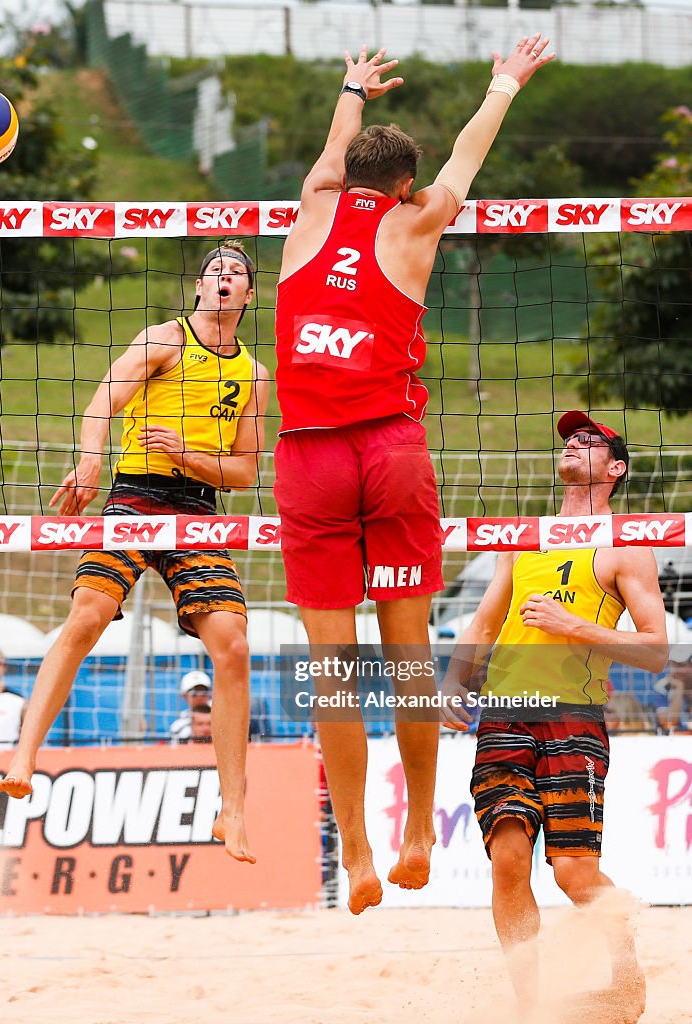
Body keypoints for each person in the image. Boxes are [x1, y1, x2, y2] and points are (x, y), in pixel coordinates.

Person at [273, 37, 554, 914]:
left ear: (343, 174)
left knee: (332, 670)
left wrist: (351, 87)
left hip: (310, 454)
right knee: (406, 663)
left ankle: (353, 851)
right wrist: (504, 80)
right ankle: (418, 834)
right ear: (402, 186)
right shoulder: (416, 219)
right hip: (389, 449)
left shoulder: (309, 213)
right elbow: (469, 149)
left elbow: (330, 156)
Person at [0, 241, 270, 864]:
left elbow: (245, 472)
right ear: (199, 289)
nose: (224, 279)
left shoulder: (253, 375)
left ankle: (232, 808)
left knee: (232, 643)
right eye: (214, 272)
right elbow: (101, 404)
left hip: (198, 507)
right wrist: (91, 458)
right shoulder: (164, 340)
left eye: (236, 274)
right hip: (136, 496)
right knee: (87, 616)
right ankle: (24, 755)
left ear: (249, 296)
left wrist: (185, 453)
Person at [442, 411, 668, 1019]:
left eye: (590, 440)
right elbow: (487, 620)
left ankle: (626, 975)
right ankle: (531, 1006)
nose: (573, 442)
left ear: (615, 468)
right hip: (506, 714)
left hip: (575, 718)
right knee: (509, 863)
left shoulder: (627, 545)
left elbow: (657, 651)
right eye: (569, 437)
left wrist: (574, 626)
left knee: (573, 874)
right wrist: (451, 680)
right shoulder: (525, 536)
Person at [170, 669, 213, 742]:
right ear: (184, 695)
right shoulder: (179, 726)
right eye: (194, 693)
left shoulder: (221, 718)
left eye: (204, 691)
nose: (200, 696)